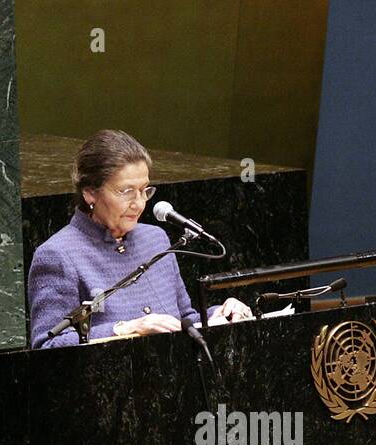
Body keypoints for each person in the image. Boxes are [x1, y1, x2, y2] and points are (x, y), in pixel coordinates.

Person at [27, 129, 251, 348]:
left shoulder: (155, 238)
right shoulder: (57, 255)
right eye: (126, 191)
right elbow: (47, 344)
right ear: (90, 193)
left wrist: (220, 313)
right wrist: (126, 328)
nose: (139, 203)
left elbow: (183, 318)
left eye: (145, 190)